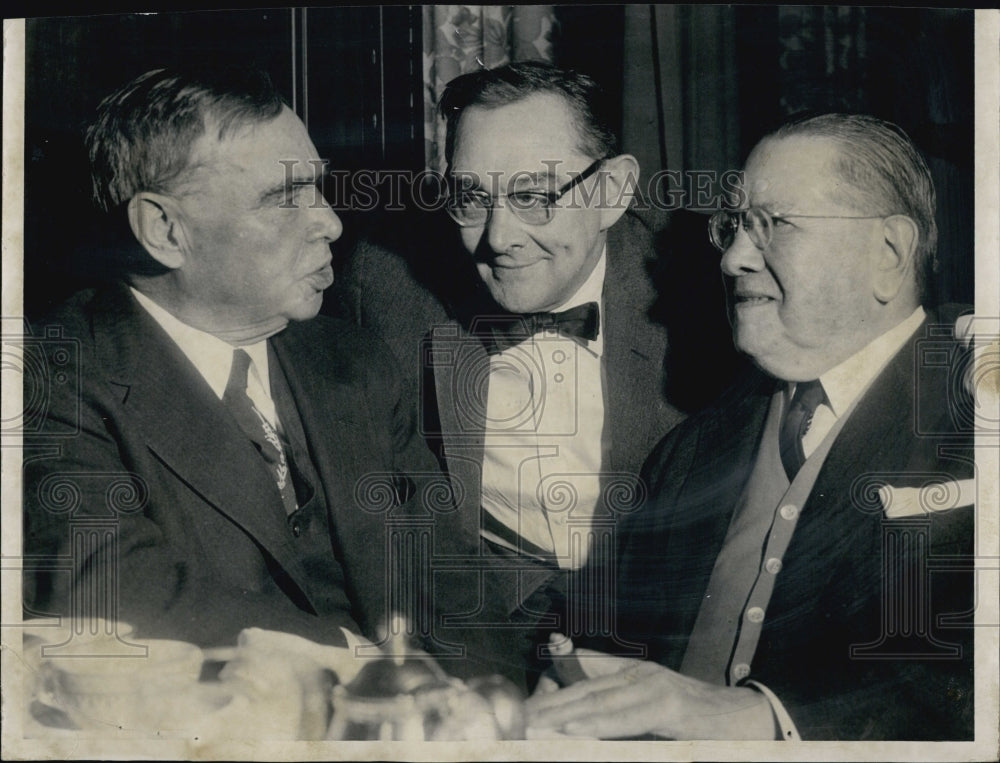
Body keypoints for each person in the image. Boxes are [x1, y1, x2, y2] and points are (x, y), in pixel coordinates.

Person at [526, 113, 975, 740]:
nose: (734, 257)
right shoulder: (691, 451)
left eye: (774, 225)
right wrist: (576, 677)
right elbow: (603, 631)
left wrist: (766, 718)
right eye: (733, 226)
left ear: (888, 254)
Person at [21, 67, 485, 662]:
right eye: (285, 197)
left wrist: (496, 714)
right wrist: (364, 666)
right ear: (164, 230)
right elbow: (112, 588)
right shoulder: (49, 380)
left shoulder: (354, 359)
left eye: (316, 188)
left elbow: (456, 585)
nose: (331, 222)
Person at [339, 63, 694, 668]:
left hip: (663, 625)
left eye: (533, 196)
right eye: (472, 198)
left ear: (611, 192)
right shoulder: (383, 281)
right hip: (480, 623)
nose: (499, 237)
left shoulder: (703, 289)